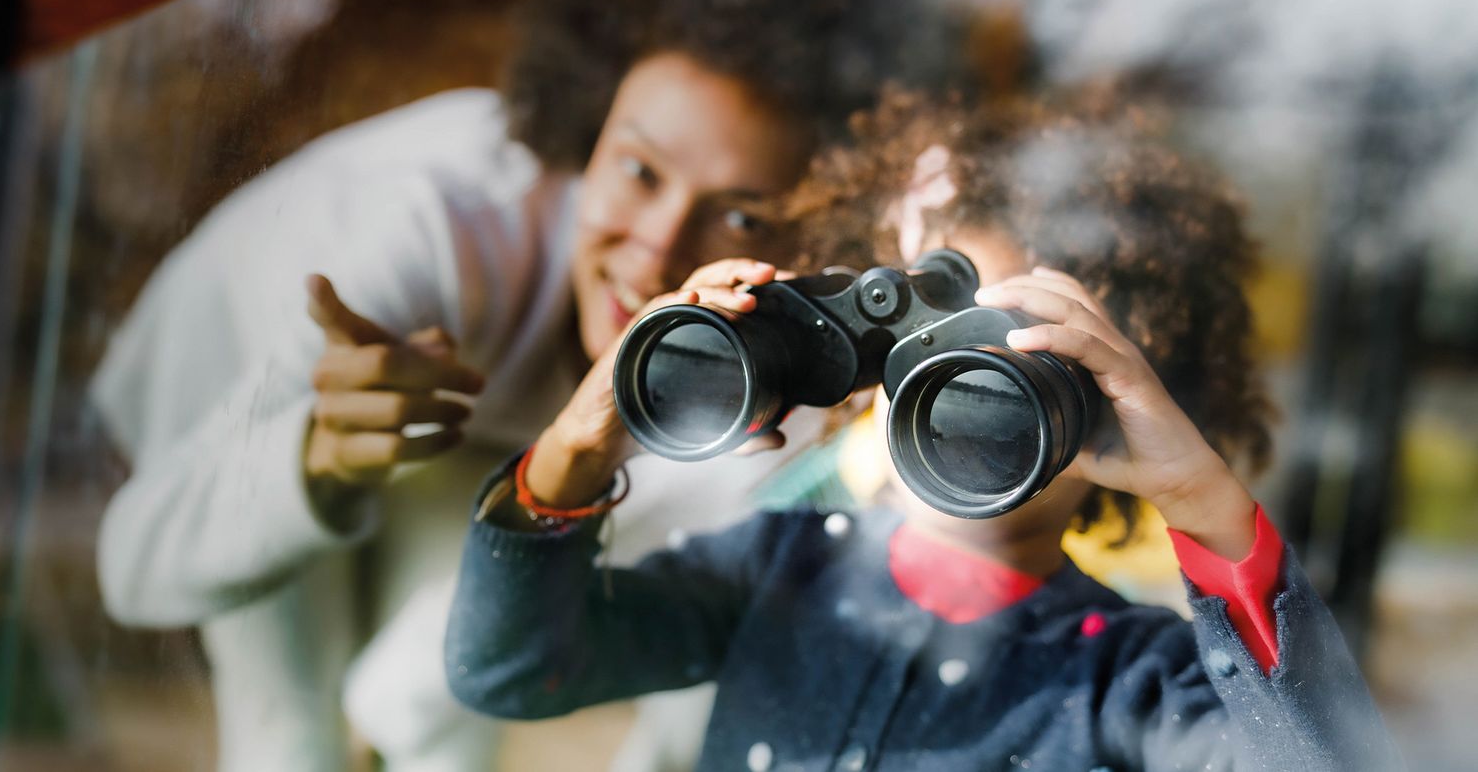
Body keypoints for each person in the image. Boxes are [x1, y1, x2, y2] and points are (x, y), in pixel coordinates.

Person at [90, 0, 958, 770]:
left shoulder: (771, 350)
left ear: (817, 234)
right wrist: (315, 451)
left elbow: (696, 639)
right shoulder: (423, 228)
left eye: (741, 217)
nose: (657, 252)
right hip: (255, 386)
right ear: (589, 126)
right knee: (290, 734)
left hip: (478, 434)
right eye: (639, 170)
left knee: (433, 716)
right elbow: (133, 571)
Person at [443, 90, 1404, 770]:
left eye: (996, 357)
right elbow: (513, 670)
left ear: (1113, 401)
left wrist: (1199, 498)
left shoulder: (1127, 678)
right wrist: (591, 428)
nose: (937, 389)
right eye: (915, 342)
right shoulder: (780, 569)